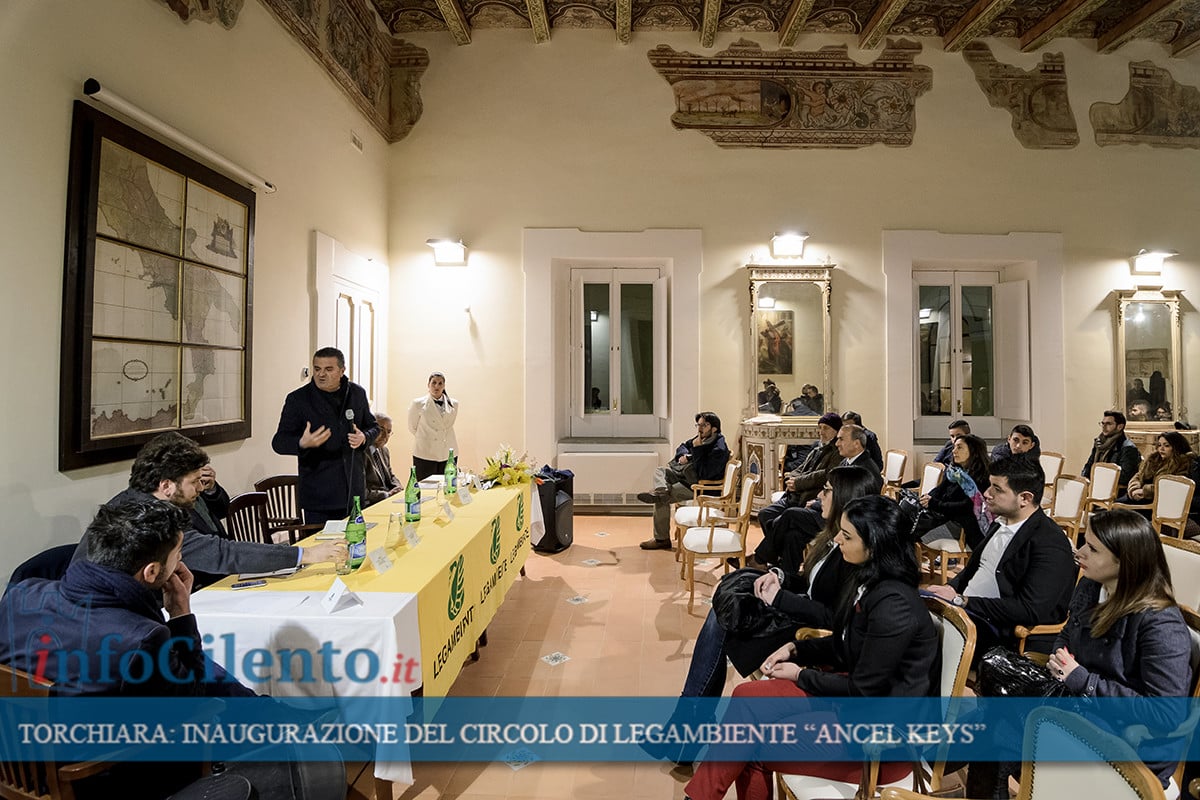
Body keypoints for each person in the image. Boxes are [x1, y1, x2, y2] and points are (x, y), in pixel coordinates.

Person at [684, 495, 938, 800]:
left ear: (874, 546)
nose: (838, 540)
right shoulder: (871, 581)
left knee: (750, 744)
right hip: (855, 705)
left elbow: (862, 689)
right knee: (745, 697)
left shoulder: (894, 605)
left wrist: (799, 675)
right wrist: (795, 649)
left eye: (847, 536)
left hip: (878, 739)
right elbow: (846, 645)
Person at [968, 510, 1192, 797]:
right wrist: (1060, 656)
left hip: (1129, 741)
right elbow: (1067, 632)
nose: (1080, 552)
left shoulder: (1160, 622)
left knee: (996, 726)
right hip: (1081, 708)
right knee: (995, 686)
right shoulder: (1091, 584)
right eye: (1085, 542)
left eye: (1093, 549)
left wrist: (1083, 680)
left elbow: (1166, 713)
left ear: (1125, 562)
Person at [663, 467, 883, 718]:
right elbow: (811, 583)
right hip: (798, 614)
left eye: (827, 490)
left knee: (724, 617)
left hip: (809, 632)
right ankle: (691, 715)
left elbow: (832, 617)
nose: (819, 496)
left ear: (845, 497)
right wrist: (779, 576)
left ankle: (690, 716)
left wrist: (779, 598)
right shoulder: (832, 538)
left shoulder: (854, 553)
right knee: (726, 611)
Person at [73, 433, 345, 588]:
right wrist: (307, 554)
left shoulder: (146, 500)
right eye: (194, 482)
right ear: (166, 485)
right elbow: (220, 553)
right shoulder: (143, 519)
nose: (199, 488)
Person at [924, 455, 1077, 657]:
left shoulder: (1050, 543)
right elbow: (972, 570)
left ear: (1025, 498)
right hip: (970, 612)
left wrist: (963, 600)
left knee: (916, 635)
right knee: (907, 606)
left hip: (1001, 629)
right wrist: (951, 588)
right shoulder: (1001, 522)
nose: (987, 493)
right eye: (990, 485)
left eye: (997, 489)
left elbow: (1030, 609)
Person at [272, 347, 378, 525]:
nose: (321, 374)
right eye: (317, 369)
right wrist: (302, 443)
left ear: (342, 371)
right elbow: (279, 442)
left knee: (356, 540)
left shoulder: (357, 393)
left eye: (328, 369)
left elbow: (374, 427)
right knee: (322, 543)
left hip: (354, 490)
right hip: (320, 496)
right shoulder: (298, 399)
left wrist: (364, 437)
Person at [636, 412, 730, 551]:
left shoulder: (718, 449)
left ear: (714, 428)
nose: (699, 429)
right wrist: (684, 455)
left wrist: (696, 450)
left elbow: (705, 473)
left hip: (698, 486)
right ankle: (661, 490)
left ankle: (661, 539)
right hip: (685, 476)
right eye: (698, 425)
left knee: (661, 501)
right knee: (660, 471)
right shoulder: (702, 438)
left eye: (704, 425)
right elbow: (683, 446)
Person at [917, 433, 993, 550]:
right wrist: (927, 498)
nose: (954, 451)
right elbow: (939, 490)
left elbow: (966, 507)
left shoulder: (982, 477)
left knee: (910, 530)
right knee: (905, 523)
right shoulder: (954, 472)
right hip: (945, 516)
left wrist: (934, 504)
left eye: (959, 447)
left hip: (963, 526)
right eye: (954, 447)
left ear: (973, 451)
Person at [407, 371, 460, 480]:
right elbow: (412, 427)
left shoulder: (454, 404)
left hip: (447, 451)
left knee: (448, 484)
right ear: (428, 385)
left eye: (440, 383)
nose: (437, 386)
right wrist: (427, 438)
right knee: (425, 485)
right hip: (425, 452)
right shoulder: (417, 404)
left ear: (444, 386)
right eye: (434, 383)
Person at [1120, 431, 1194, 504]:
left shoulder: (1182, 463)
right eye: (1159, 445)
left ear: (1176, 447)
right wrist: (1134, 487)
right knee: (1115, 505)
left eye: (1166, 446)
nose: (1161, 449)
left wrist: (1145, 491)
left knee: (1117, 508)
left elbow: (1172, 487)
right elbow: (1139, 475)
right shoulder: (1153, 459)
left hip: (1158, 502)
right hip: (1138, 495)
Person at [1082, 410, 1143, 491]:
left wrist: (1100, 476)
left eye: (1108, 424)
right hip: (1096, 486)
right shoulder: (1099, 444)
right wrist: (1085, 480)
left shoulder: (1128, 448)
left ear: (1120, 427)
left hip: (1115, 491)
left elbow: (1125, 477)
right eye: (1103, 423)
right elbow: (1089, 465)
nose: (1104, 427)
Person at [363, 411, 402, 504]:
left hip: (387, 500)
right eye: (381, 430)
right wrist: (387, 495)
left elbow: (391, 476)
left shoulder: (384, 450)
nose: (385, 436)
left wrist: (398, 488)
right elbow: (361, 491)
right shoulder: (361, 453)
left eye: (388, 432)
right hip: (371, 504)